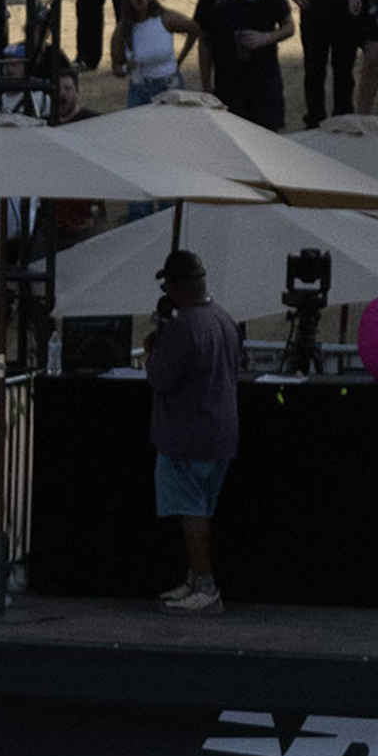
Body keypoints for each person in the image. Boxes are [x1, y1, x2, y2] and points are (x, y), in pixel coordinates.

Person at [140, 246, 246, 611]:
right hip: (221, 432)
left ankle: (205, 587)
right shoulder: (223, 319)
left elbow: (160, 378)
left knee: (191, 512)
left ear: (178, 287)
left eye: (168, 285)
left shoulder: (183, 327)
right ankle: (193, 579)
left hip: (187, 436)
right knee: (201, 509)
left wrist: (153, 348)